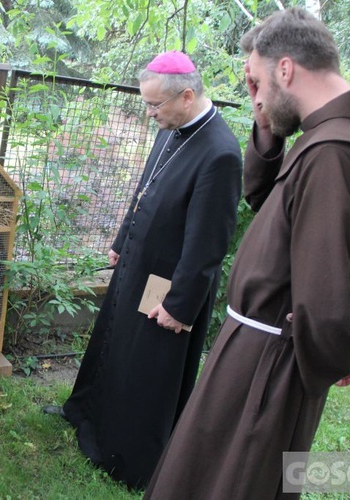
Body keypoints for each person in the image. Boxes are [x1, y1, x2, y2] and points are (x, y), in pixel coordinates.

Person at [144, 8, 350, 499]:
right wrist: (269, 128)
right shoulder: (334, 140)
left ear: (285, 69)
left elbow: (325, 300)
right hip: (265, 350)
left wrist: (339, 348)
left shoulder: (336, 154)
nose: (255, 97)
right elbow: (282, 216)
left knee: (230, 482)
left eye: (257, 82)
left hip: (266, 363)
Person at [44, 51, 243, 489]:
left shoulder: (220, 153)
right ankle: (87, 418)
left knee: (145, 368)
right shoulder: (171, 129)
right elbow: (144, 189)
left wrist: (181, 305)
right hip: (137, 264)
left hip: (169, 286)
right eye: (147, 104)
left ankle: (127, 457)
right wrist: (121, 242)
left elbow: (209, 243)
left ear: (187, 96)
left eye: (155, 105)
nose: (149, 113)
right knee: (112, 347)